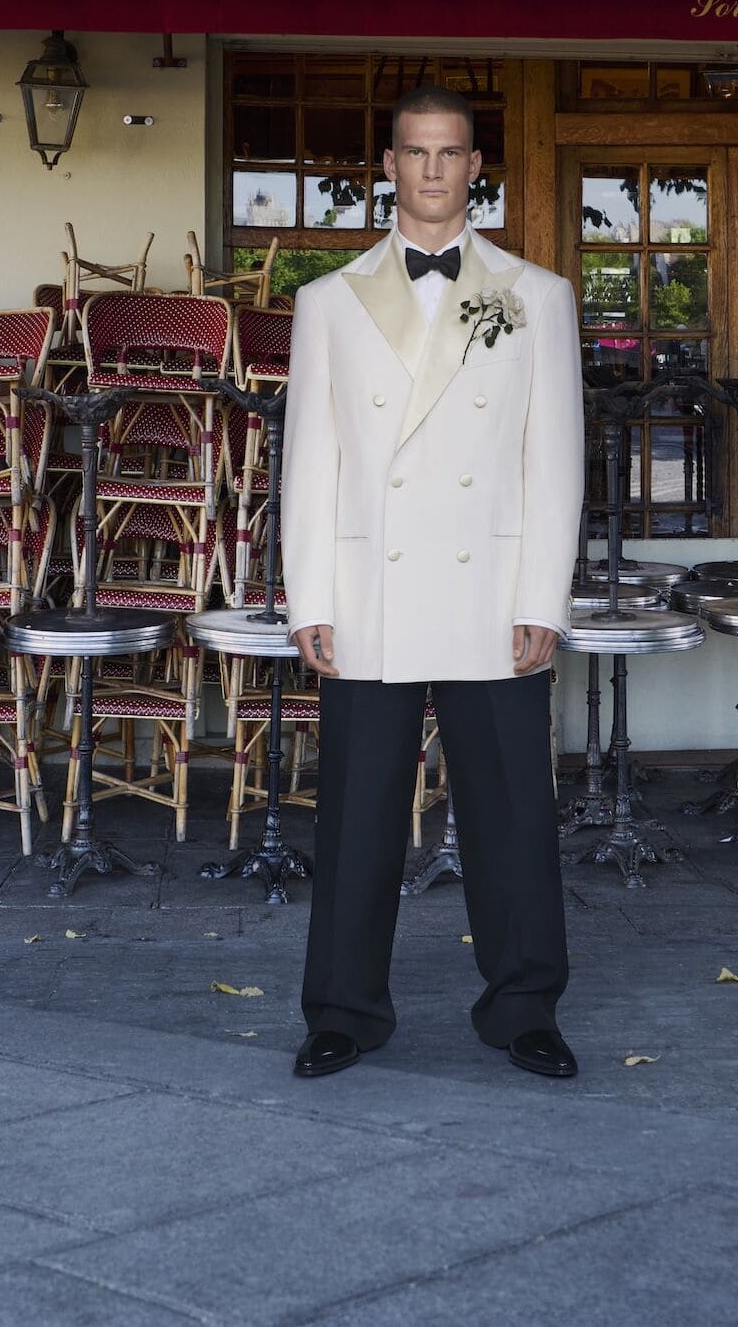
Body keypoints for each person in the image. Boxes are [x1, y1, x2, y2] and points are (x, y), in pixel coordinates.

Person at [281, 84, 585, 1079]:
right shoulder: (328, 302)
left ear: (475, 167)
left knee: (512, 817)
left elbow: (554, 461)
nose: (433, 170)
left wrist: (542, 598)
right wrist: (310, 598)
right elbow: (311, 462)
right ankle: (341, 1011)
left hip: (489, 592)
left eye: (450, 152)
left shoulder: (535, 295)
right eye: (415, 151)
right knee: (357, 817)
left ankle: (525, 1007)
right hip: (369, 588)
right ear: (388, 166)